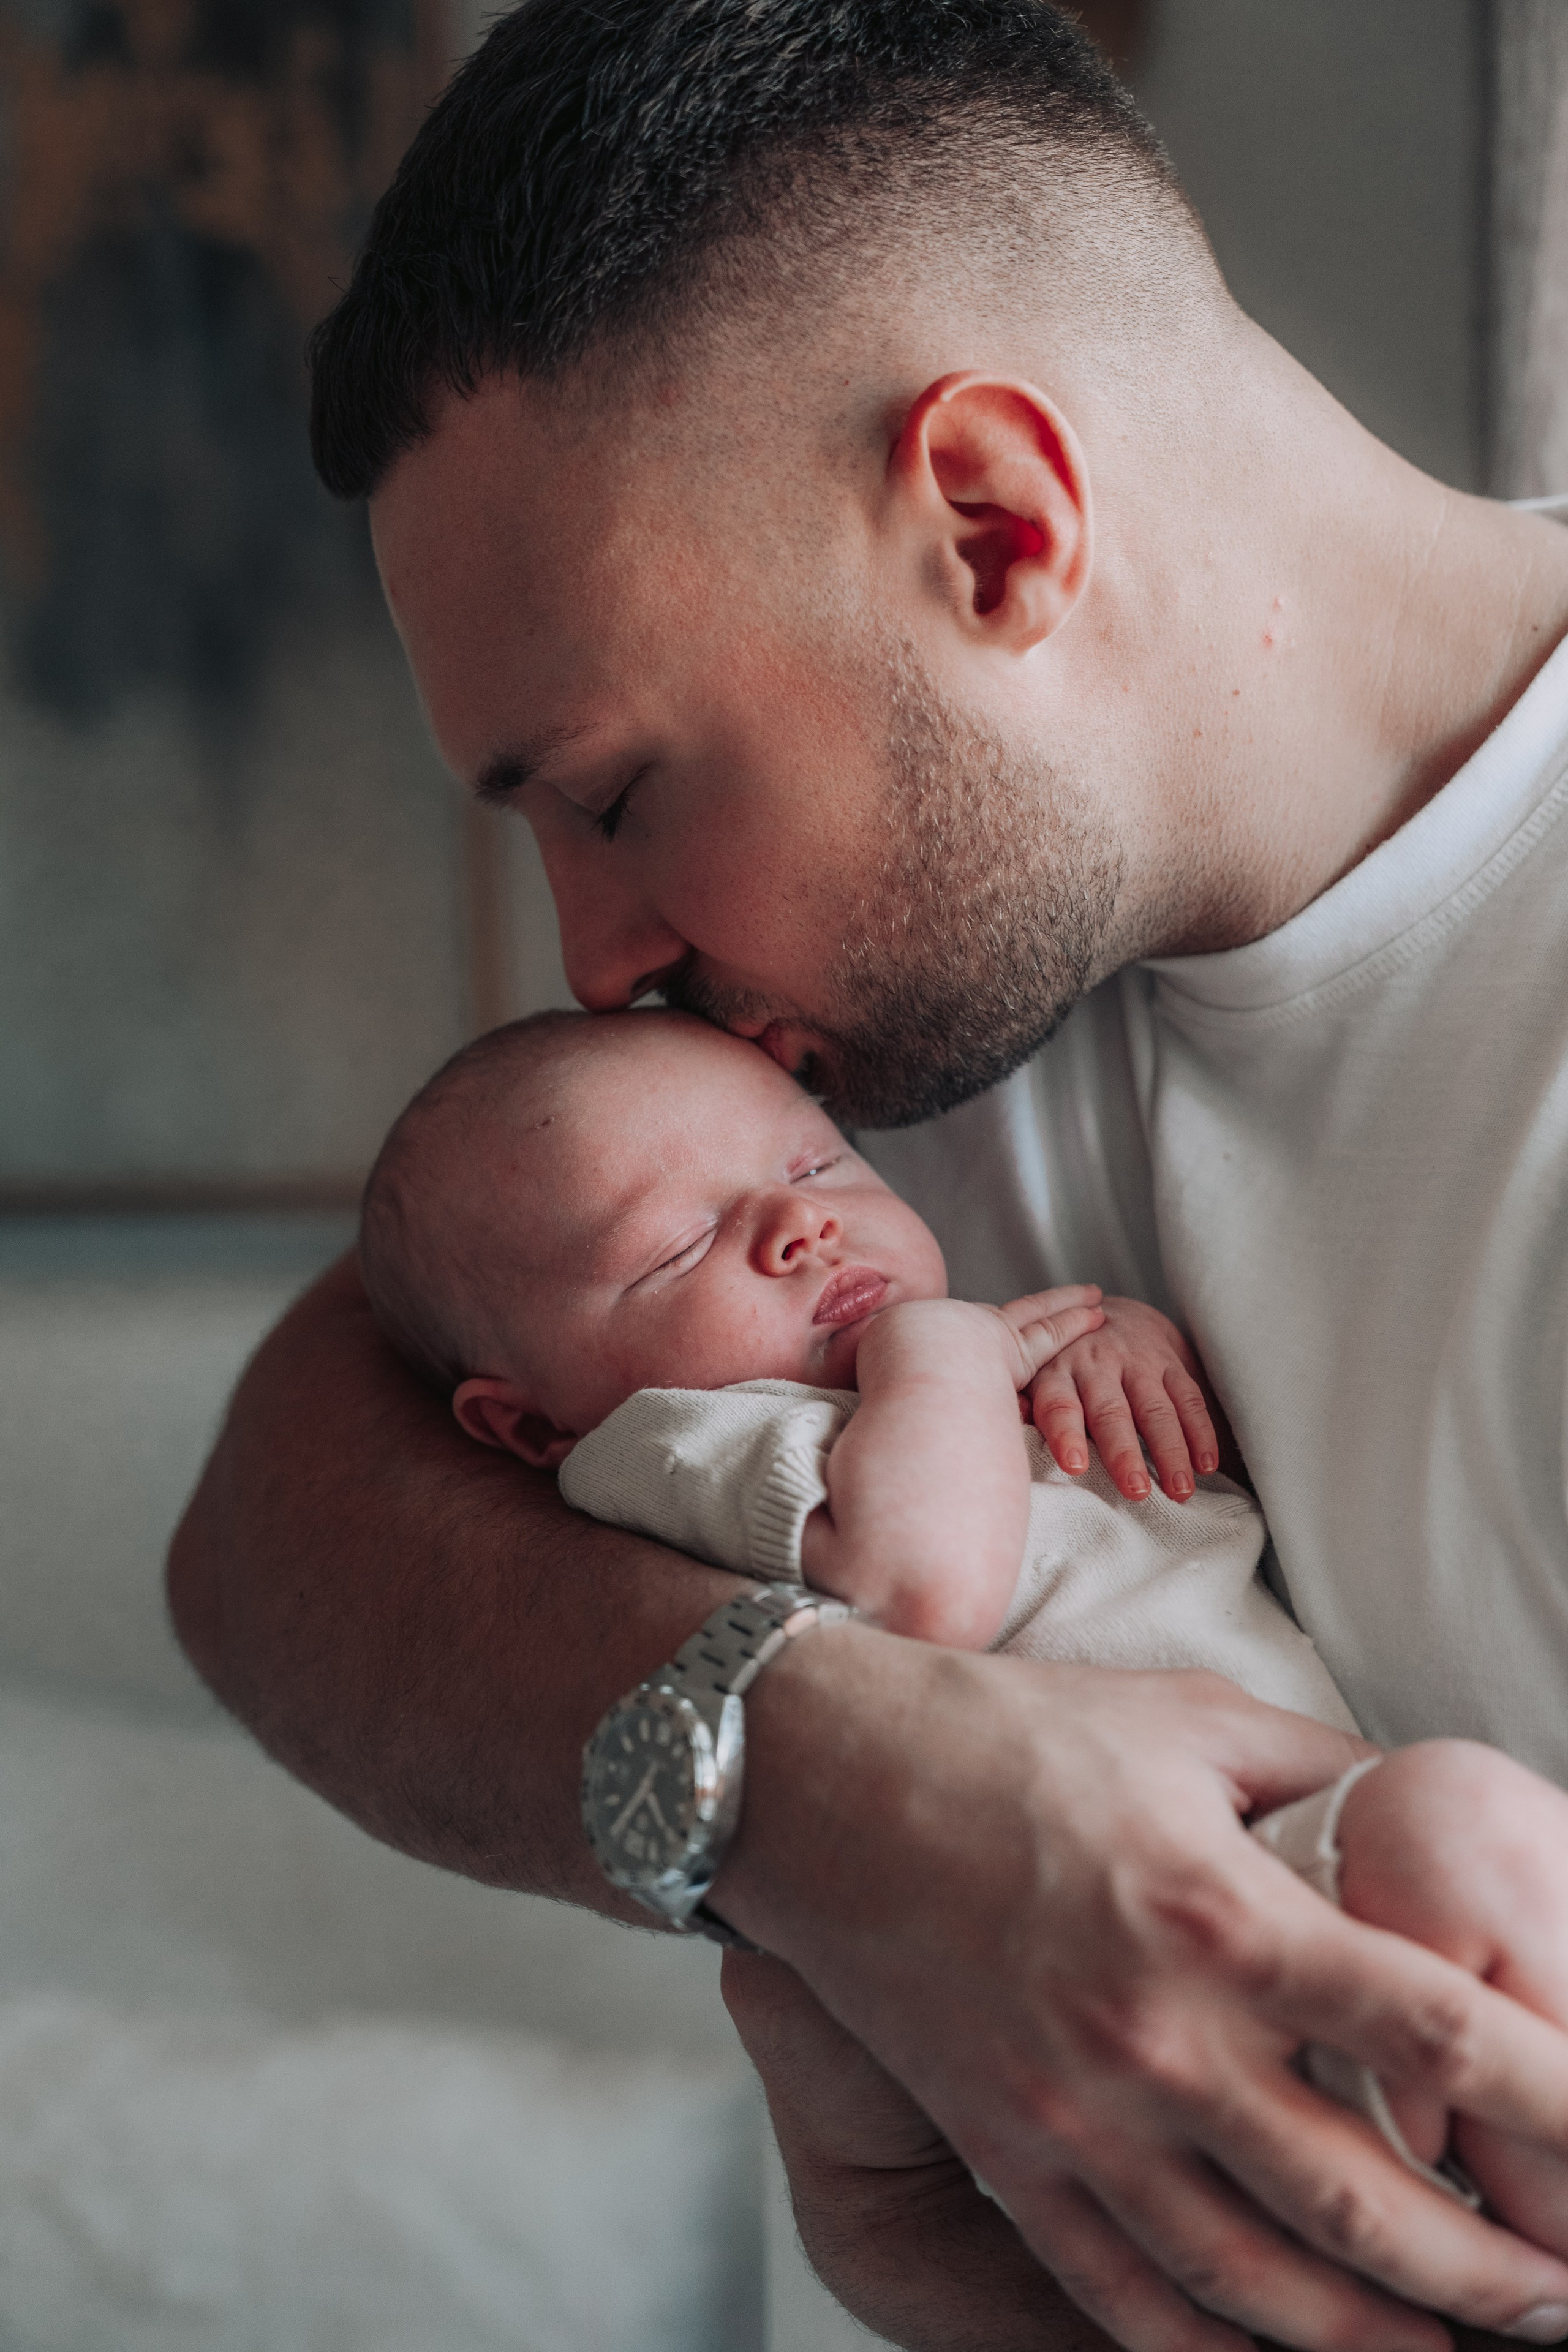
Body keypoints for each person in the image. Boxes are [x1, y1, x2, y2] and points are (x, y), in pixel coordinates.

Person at [167, 3, 1568, 2348]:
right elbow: (283, 1520)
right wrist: (826, 1780)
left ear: (997, 530)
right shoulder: (831, 1058)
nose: (600, 963)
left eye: (607, 796)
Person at [359, 1000, 1568, 2246]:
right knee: (1464, 1829)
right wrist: (941, 1350)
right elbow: (922, 1588)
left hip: (1286, 1873)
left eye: (811, 1163)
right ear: (533, 1427)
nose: (797, 1226)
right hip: (1171, 1939)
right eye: (672, 1249)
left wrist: (1117, 1361)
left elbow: (1148, 1499)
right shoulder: (684, 1440)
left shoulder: (928, 1374)